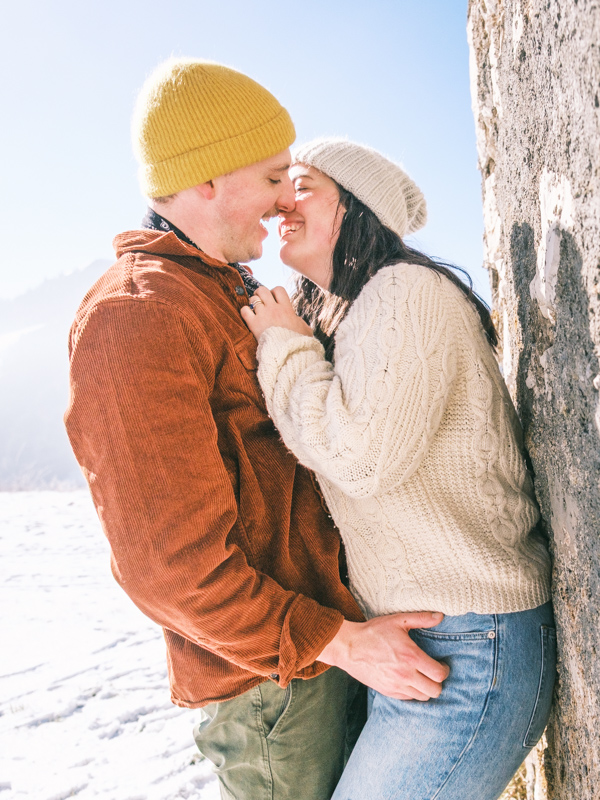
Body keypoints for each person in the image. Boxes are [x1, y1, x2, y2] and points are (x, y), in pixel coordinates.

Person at [64, 63, 450, 800]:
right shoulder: (138, 314)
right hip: (274, 691)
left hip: (323, 657)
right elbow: (169, 568)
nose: (284, 202)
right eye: (275, 176)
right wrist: (339, 642)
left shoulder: (225, 291)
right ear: (207, 180)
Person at [242, 137, 556, 800]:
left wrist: (285, 348)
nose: (280, 204)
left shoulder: (404, 292)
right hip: (432, 645)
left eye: (302, 185)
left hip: (473, 648)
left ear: (356, 207)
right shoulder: (358, 313)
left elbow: (362, 459)